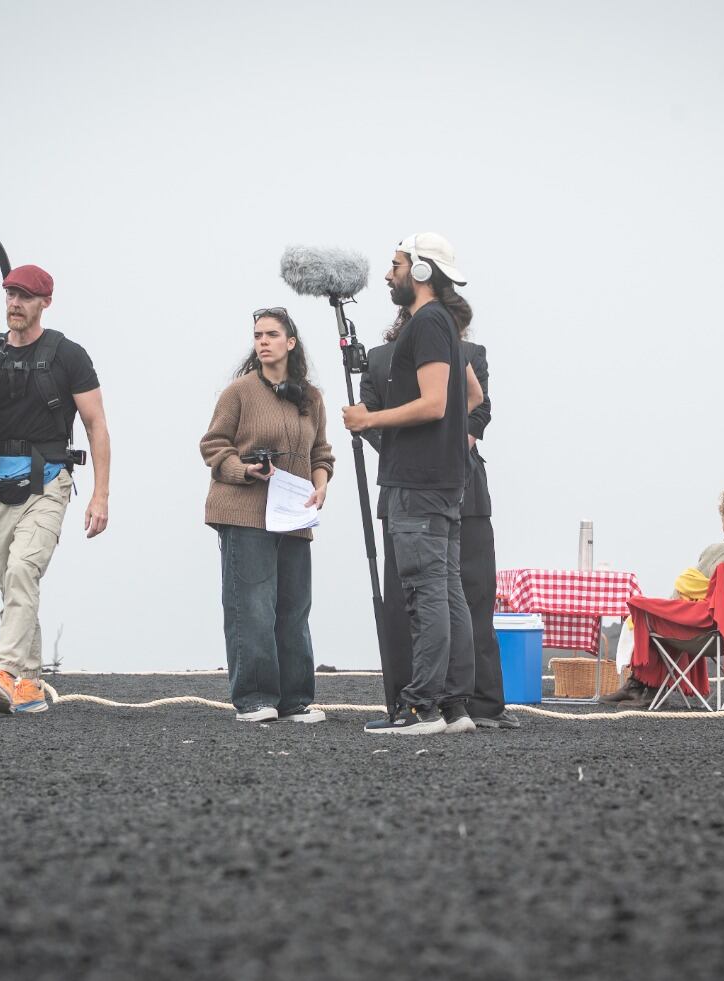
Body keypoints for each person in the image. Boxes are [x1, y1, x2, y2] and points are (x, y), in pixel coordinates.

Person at [0, 264, 111, 715]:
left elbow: (96, 425)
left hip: (48, 479)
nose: (15, 303)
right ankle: (29, 686)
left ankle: (5, 671)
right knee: (10, 582)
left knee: (23, 570)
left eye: (25, 296)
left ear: (44, 302)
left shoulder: (69, 355)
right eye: (10, 294)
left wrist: (100, 495)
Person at [341, 233, 483, 736]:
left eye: (396, 264)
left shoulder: (425, 323)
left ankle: (423, 707)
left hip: (417, 484)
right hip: (441, 481)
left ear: (421, 271)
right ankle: (452, 707)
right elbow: (471, 393)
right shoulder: (443, 324)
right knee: (446, 593)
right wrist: (443, 441)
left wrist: (370, 420)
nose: (388, 273)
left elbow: (435, 403)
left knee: (426, 593)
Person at [361, 335, 517, 730]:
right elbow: (369, 419)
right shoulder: (380, 360)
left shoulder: (468, 353)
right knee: (415, 601)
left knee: (467, 597)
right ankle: (417, 701)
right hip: (412, 491)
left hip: (460, 495)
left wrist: (438, 449)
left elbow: (479, 409)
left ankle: (471, 704)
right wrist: (412, 453)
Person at [199, 308, 335, 723]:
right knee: (252, 606)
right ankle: (256, 699)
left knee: (294, 608)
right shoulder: (238, 392)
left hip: (293, 515)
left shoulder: (311, 398)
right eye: (258, 335)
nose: (263, 341)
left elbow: (321, 454)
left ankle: (296, 701)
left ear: (290, 343)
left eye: (272, 334)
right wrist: (244, 469)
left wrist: (321, 483)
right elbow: (212, 446)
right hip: (243, 510)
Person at [603, 482, 724, 705]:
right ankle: (643, 686)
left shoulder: (717, 553)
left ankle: (643, 685)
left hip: (709, 634)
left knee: (647, 612)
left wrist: (665, 609)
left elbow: (684, 589)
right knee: (666, 616)